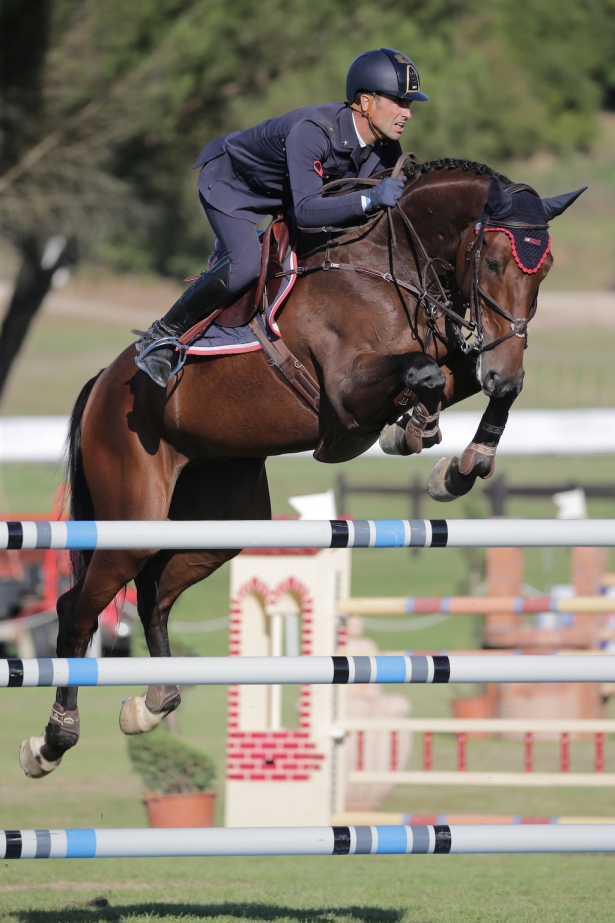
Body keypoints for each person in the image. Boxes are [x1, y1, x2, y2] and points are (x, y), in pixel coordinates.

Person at [135, 47, 429, 386]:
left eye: (409, 105)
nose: (407, 113)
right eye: (398, 102)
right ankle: (160, 336)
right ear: (365, 102)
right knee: (244, 266)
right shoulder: (314, 130)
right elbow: (306, 212)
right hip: (230, 185)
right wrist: (369, 198)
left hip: (282, 196)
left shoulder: (385, 145)